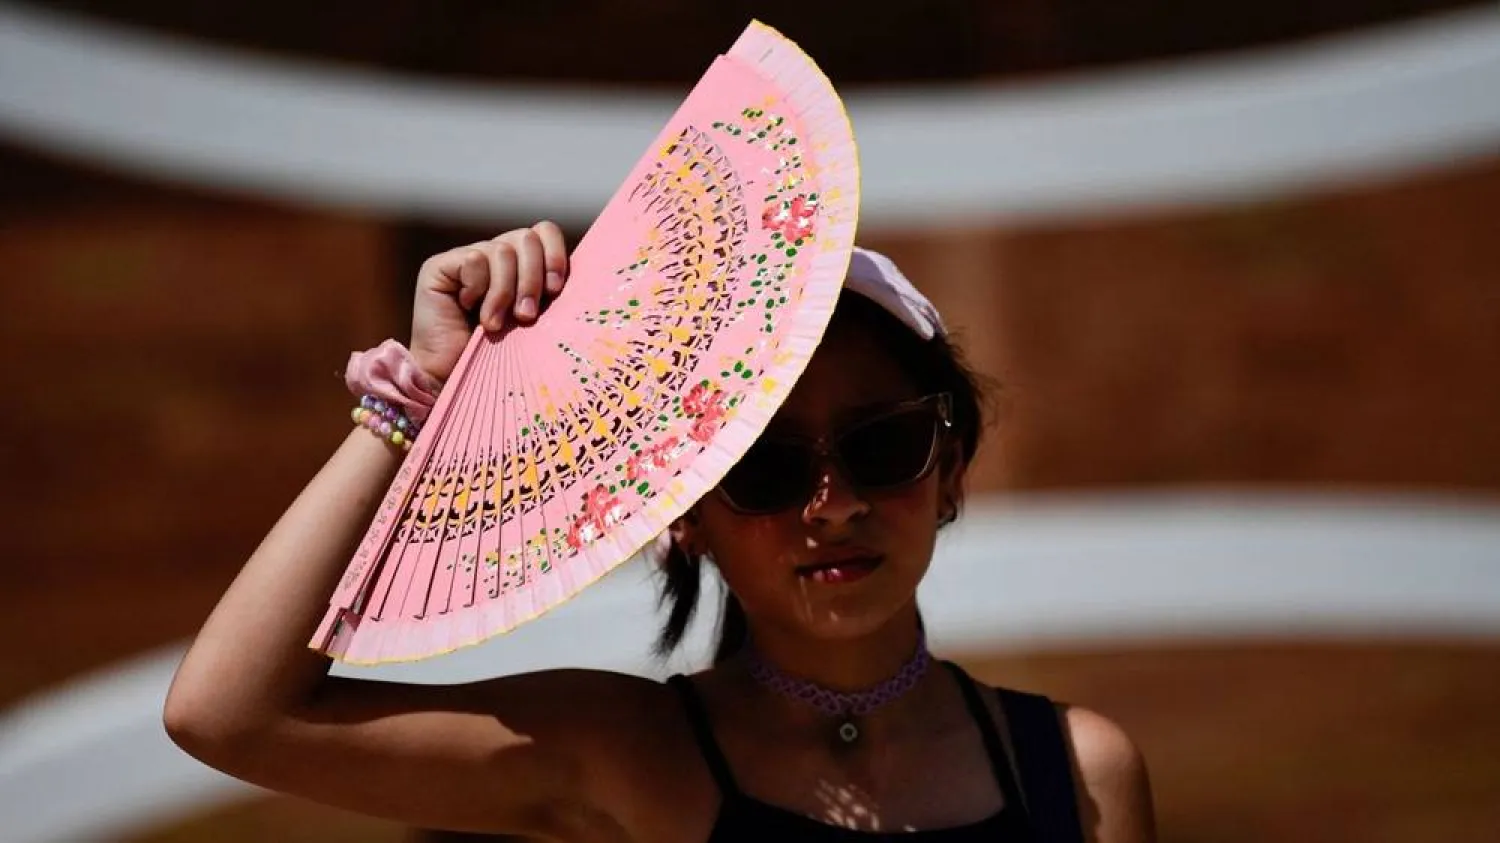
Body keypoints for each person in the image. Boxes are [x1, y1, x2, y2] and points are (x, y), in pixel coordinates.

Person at [164, 220, 1157, 842]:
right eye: (763, 469)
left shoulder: (1080, 769)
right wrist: (422, 399)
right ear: (680, 519)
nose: (836, 502)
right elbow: (226, 715)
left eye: (883, 446)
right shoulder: (628, 755)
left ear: (947, 466)